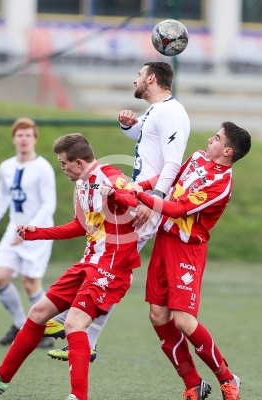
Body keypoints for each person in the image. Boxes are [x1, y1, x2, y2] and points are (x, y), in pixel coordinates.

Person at [0, 133, 141, 400]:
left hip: (111, 267)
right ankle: (1, 377)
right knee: (38, 312)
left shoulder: (110, 175)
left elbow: (135, 202)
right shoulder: (83, 185)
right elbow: (80, 226)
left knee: (73, 324)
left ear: (79, 162)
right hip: (89, 262)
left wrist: (116, 194)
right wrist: (37, 232)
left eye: (63, 163)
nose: (62, 168)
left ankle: (78, 397)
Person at [46, 60, 191, 362]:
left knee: (111, 260)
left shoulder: (173, 113)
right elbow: (146, 141)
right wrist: (130, 125)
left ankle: (79, 326)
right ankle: (82, 328)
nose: (134, 80)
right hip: (139, 198)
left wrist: (156, 203)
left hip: (148, 203)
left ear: (151, 79)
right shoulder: (157, 111)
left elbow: (173, 164)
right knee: (111, 261)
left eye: (138, 75)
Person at [102, 121, 251, 400]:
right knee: (158, 315)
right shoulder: (197, 157)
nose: (210, 139)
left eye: (216, 138)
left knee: (183, 321)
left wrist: (139, 195)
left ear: (228, 151)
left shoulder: (221, 184)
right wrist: (140, 185)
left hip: (187, 251)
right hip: (164, 241)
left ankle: (228, 378)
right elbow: (167, 179)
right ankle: (193, 384)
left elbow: (178, 208)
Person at [0, 117, 56, 348]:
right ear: (14, 138)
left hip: (38, 232)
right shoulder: (6, 166)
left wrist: (31, 229)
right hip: (12, 232)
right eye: (19, 135)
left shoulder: (43, 168)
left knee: (30, 283)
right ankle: (20, 324)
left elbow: (49, 205)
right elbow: (3, 196)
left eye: (28, 135)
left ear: (34, 138)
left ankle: (46, 331)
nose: (23, 139)